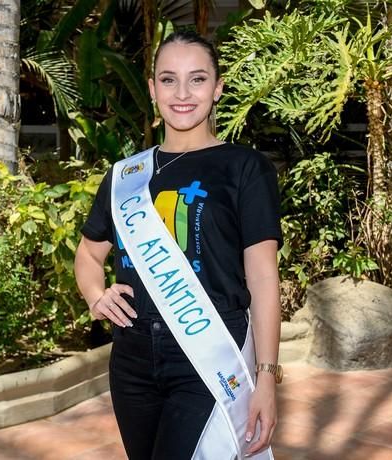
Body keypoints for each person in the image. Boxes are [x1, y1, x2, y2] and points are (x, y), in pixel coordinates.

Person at [74, 30, 282, 459]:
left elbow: (263, 278)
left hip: (208, 352)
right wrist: (96, 296)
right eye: (168, 80)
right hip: (131, 358)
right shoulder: (125, 176)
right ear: (152, 89)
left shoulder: (245, 168)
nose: (182, 93)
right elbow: (89, 254)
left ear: (218, 87)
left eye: (198, 79)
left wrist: (265, 377)